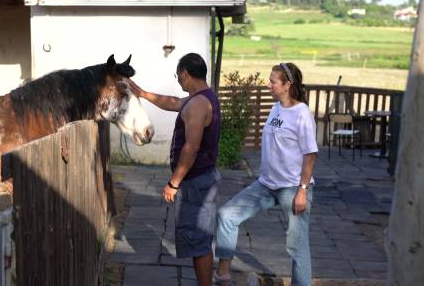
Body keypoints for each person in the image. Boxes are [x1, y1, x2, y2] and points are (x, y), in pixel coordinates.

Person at [214, 62, 318, 286]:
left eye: (273, 81)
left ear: (287, 85)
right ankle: (222, 276)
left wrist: (302, 190)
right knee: (226, 215)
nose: (268, 84)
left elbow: (310, 155)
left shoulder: (302, 115)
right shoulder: (276, 108)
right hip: (266, 185)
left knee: (297, 246)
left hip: (292, 187)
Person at [127, 53, 221, 286]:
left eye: (178, 75)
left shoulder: (198, 104)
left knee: (198, 240)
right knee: (200, 238)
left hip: (196, 182)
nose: (178, 80)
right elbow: (172, 102)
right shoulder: (200, 98)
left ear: (185, 74)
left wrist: (174, 182)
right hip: (203, 179)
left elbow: (191, 147)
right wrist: (142, 94)